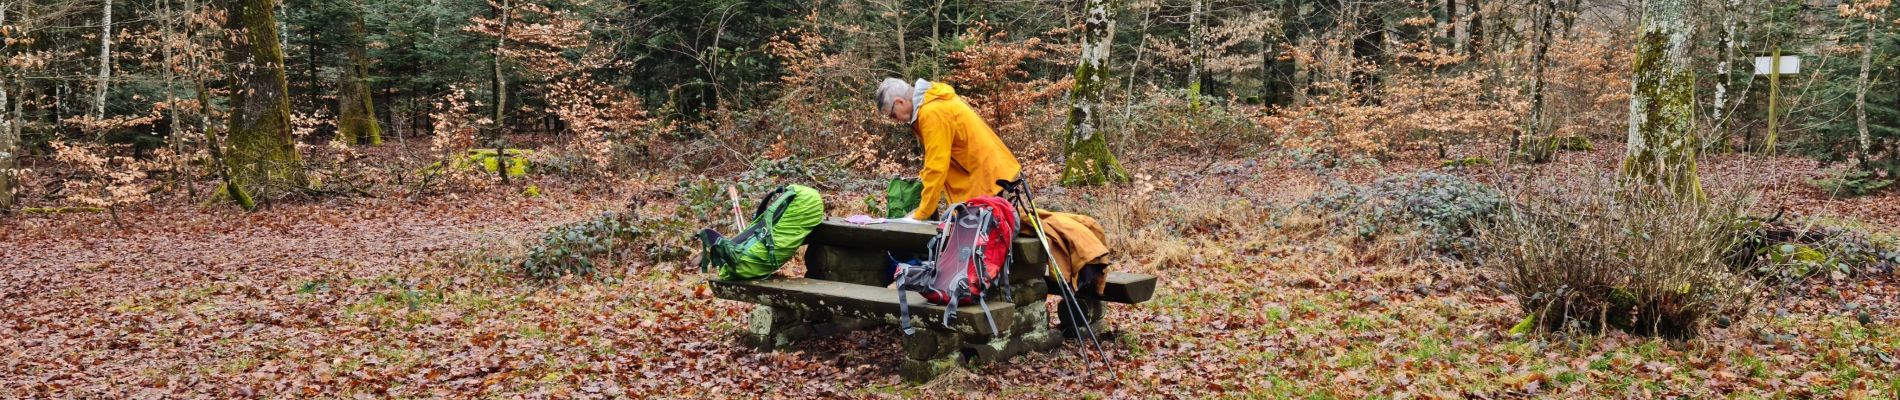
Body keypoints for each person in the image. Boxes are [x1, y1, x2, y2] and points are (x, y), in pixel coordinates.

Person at [875, 77, 1022, 223]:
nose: (895, 120)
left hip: (983, 176)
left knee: (984, 236)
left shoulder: (932, 112)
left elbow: (937, 166)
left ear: (900, 102)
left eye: (893, 115)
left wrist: (921, 214)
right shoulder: (931, 104)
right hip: (985, 172)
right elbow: (935, 160)